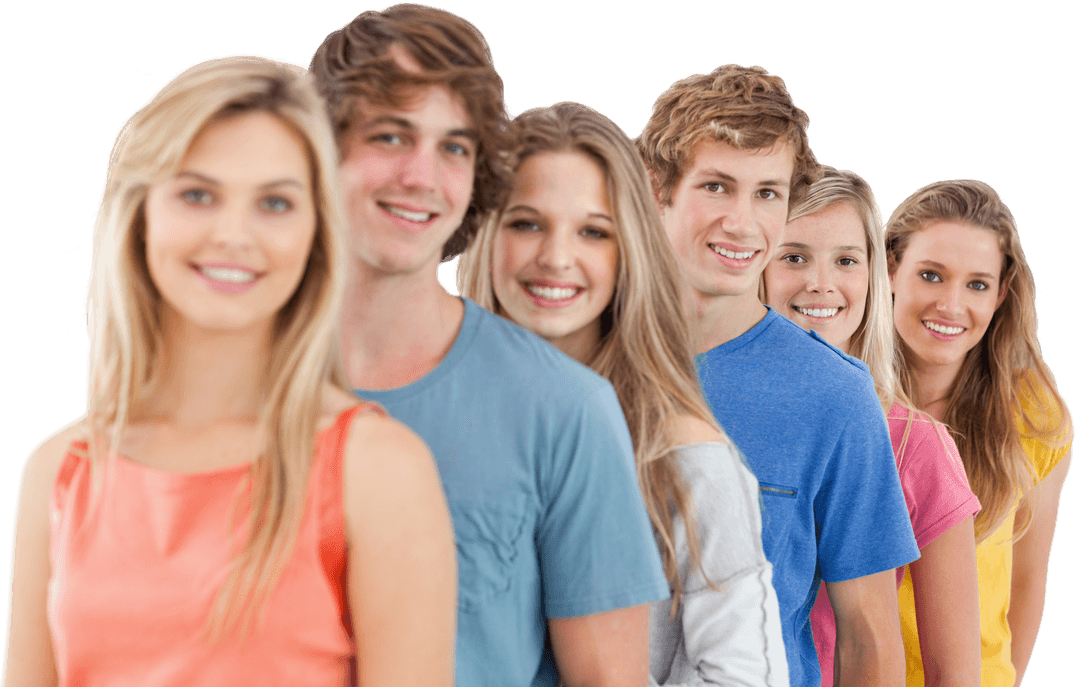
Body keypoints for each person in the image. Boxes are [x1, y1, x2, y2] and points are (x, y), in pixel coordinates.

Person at [1, 55, 456, 686]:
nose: (233, 234)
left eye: (275, 202)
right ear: (140, 215)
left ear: (316, 234)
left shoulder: (376, 469)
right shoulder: (61, 468)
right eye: (197, 194)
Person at [308, 6, 670, 686]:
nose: (421, 175)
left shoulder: (568, 410)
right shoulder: (233, 384)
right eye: (390, 134)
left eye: (454, 146)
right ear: (317, 148)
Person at [456, 100, 789, 686]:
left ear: (628, 250)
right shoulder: (433, 419)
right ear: (485, 232)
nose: (557, 258)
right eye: (526, 222)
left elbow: (743, 676)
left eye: (593, 231)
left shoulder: (689, 460)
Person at [636, 63, 920, 687]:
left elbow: (869, 642)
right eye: (716, 186)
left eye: (767, 192)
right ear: (657, 187)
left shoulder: (835, 396)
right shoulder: (576, 362)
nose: (743, 223)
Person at [763, 167, 982, 686]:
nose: (822, 283)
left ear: (874, 276)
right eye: (794, 257)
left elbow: (955, 675)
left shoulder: (918, 445)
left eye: (846, 261)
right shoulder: (709, 411)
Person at [886, 179, 1074, 686]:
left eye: (976, 284)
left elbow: (1028, 580)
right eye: (931, 275)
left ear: (1000, 296)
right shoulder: (848, 398)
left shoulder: (1033, 417)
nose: (951, 304)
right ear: (890, 271)